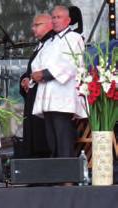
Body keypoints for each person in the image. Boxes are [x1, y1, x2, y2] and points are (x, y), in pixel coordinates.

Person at [31, 5, 86, 157]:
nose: (55, 20)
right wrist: (33, 75)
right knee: (51, 140)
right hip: (47, 97)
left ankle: (67, 178)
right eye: (53, 17)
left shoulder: (74, 38)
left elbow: (71, 64)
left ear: (68, 20)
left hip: (63, 97)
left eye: (58, 17)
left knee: (63, 139)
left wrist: (45, 73)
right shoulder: (49, 42)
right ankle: (57, 175)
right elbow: (37, 63)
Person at [19, 13, 54, 158]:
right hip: (33, 96)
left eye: (37, 25)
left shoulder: (53, 43)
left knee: (42, 135)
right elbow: (31, 71)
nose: (33, 28)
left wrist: (33, 78)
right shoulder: (40, 45)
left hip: (45, 95)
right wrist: (25, 79)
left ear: (49, 25)